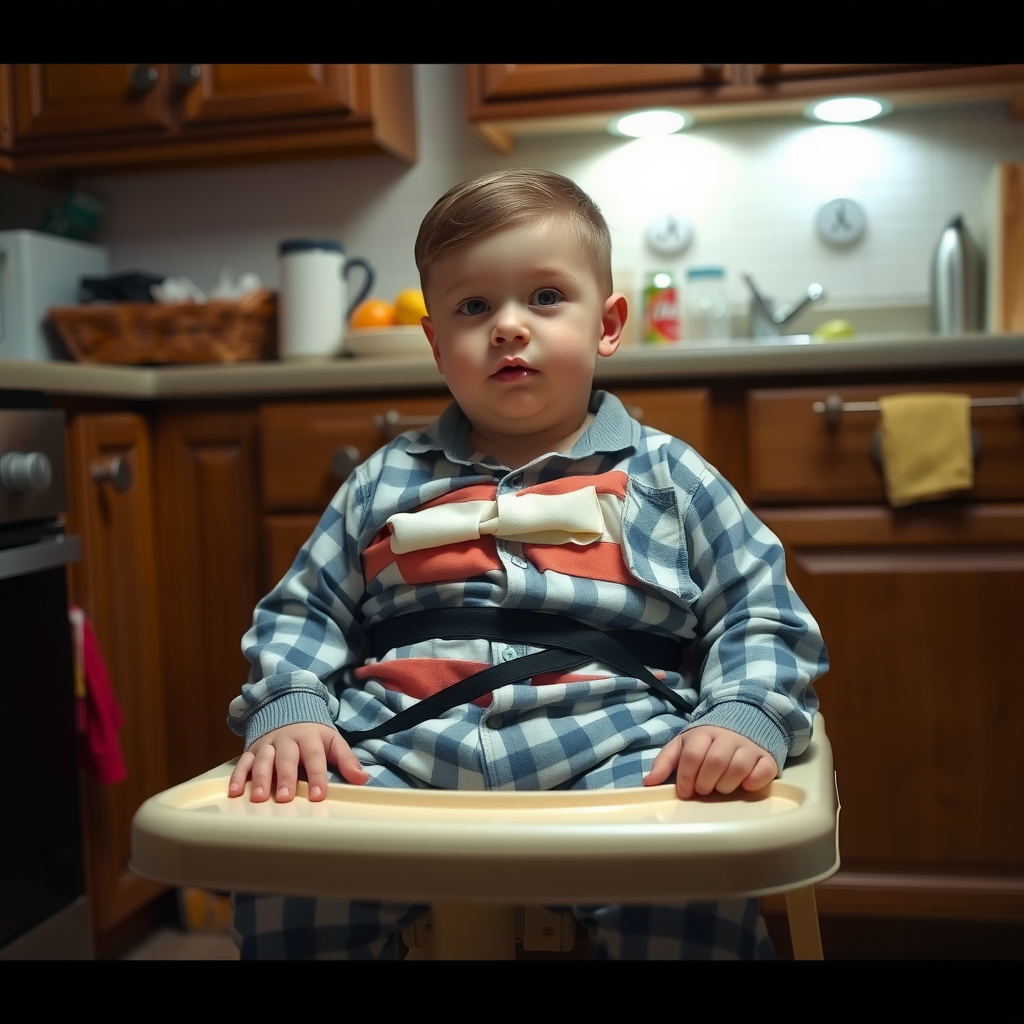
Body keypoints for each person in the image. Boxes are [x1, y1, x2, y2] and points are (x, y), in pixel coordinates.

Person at [226, 168, 828, 960]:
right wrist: (292, 705)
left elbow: (762, 610)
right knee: (286, 878)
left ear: (609, 324)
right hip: (400, 750)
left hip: (621, 751)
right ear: (438, 345)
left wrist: (741, 713)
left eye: (545, 297)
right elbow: (304, 612)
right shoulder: (383, 480)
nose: (509, 327)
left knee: (690, 885)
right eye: (474, 307)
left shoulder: (672, 477)